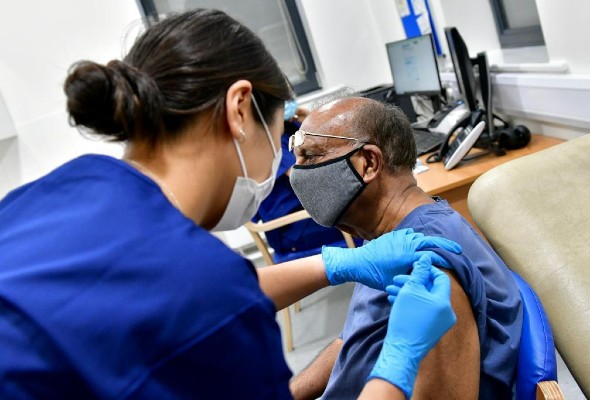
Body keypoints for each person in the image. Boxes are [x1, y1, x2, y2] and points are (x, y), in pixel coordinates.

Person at [0, 9, 463, 399]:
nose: (283, 160)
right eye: (281, 135)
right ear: (240, 109)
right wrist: (398, 364)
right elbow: (200, 299)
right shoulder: (207, 291)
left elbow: (150, 302)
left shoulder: (60, 188)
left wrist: (337, 265)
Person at [288, 97, 523, 400]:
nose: (297, 173)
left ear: (369, 163)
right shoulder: (383, 239)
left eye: (310, 156)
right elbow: (352, 340)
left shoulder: (429, 267)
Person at [252, 103, 360, 263]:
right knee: (369, 217)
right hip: (294, 229)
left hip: (311, 215)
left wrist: (309, 121)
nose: (289, 102)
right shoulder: (269, 138)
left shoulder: (290, 126)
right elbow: (309, 179)